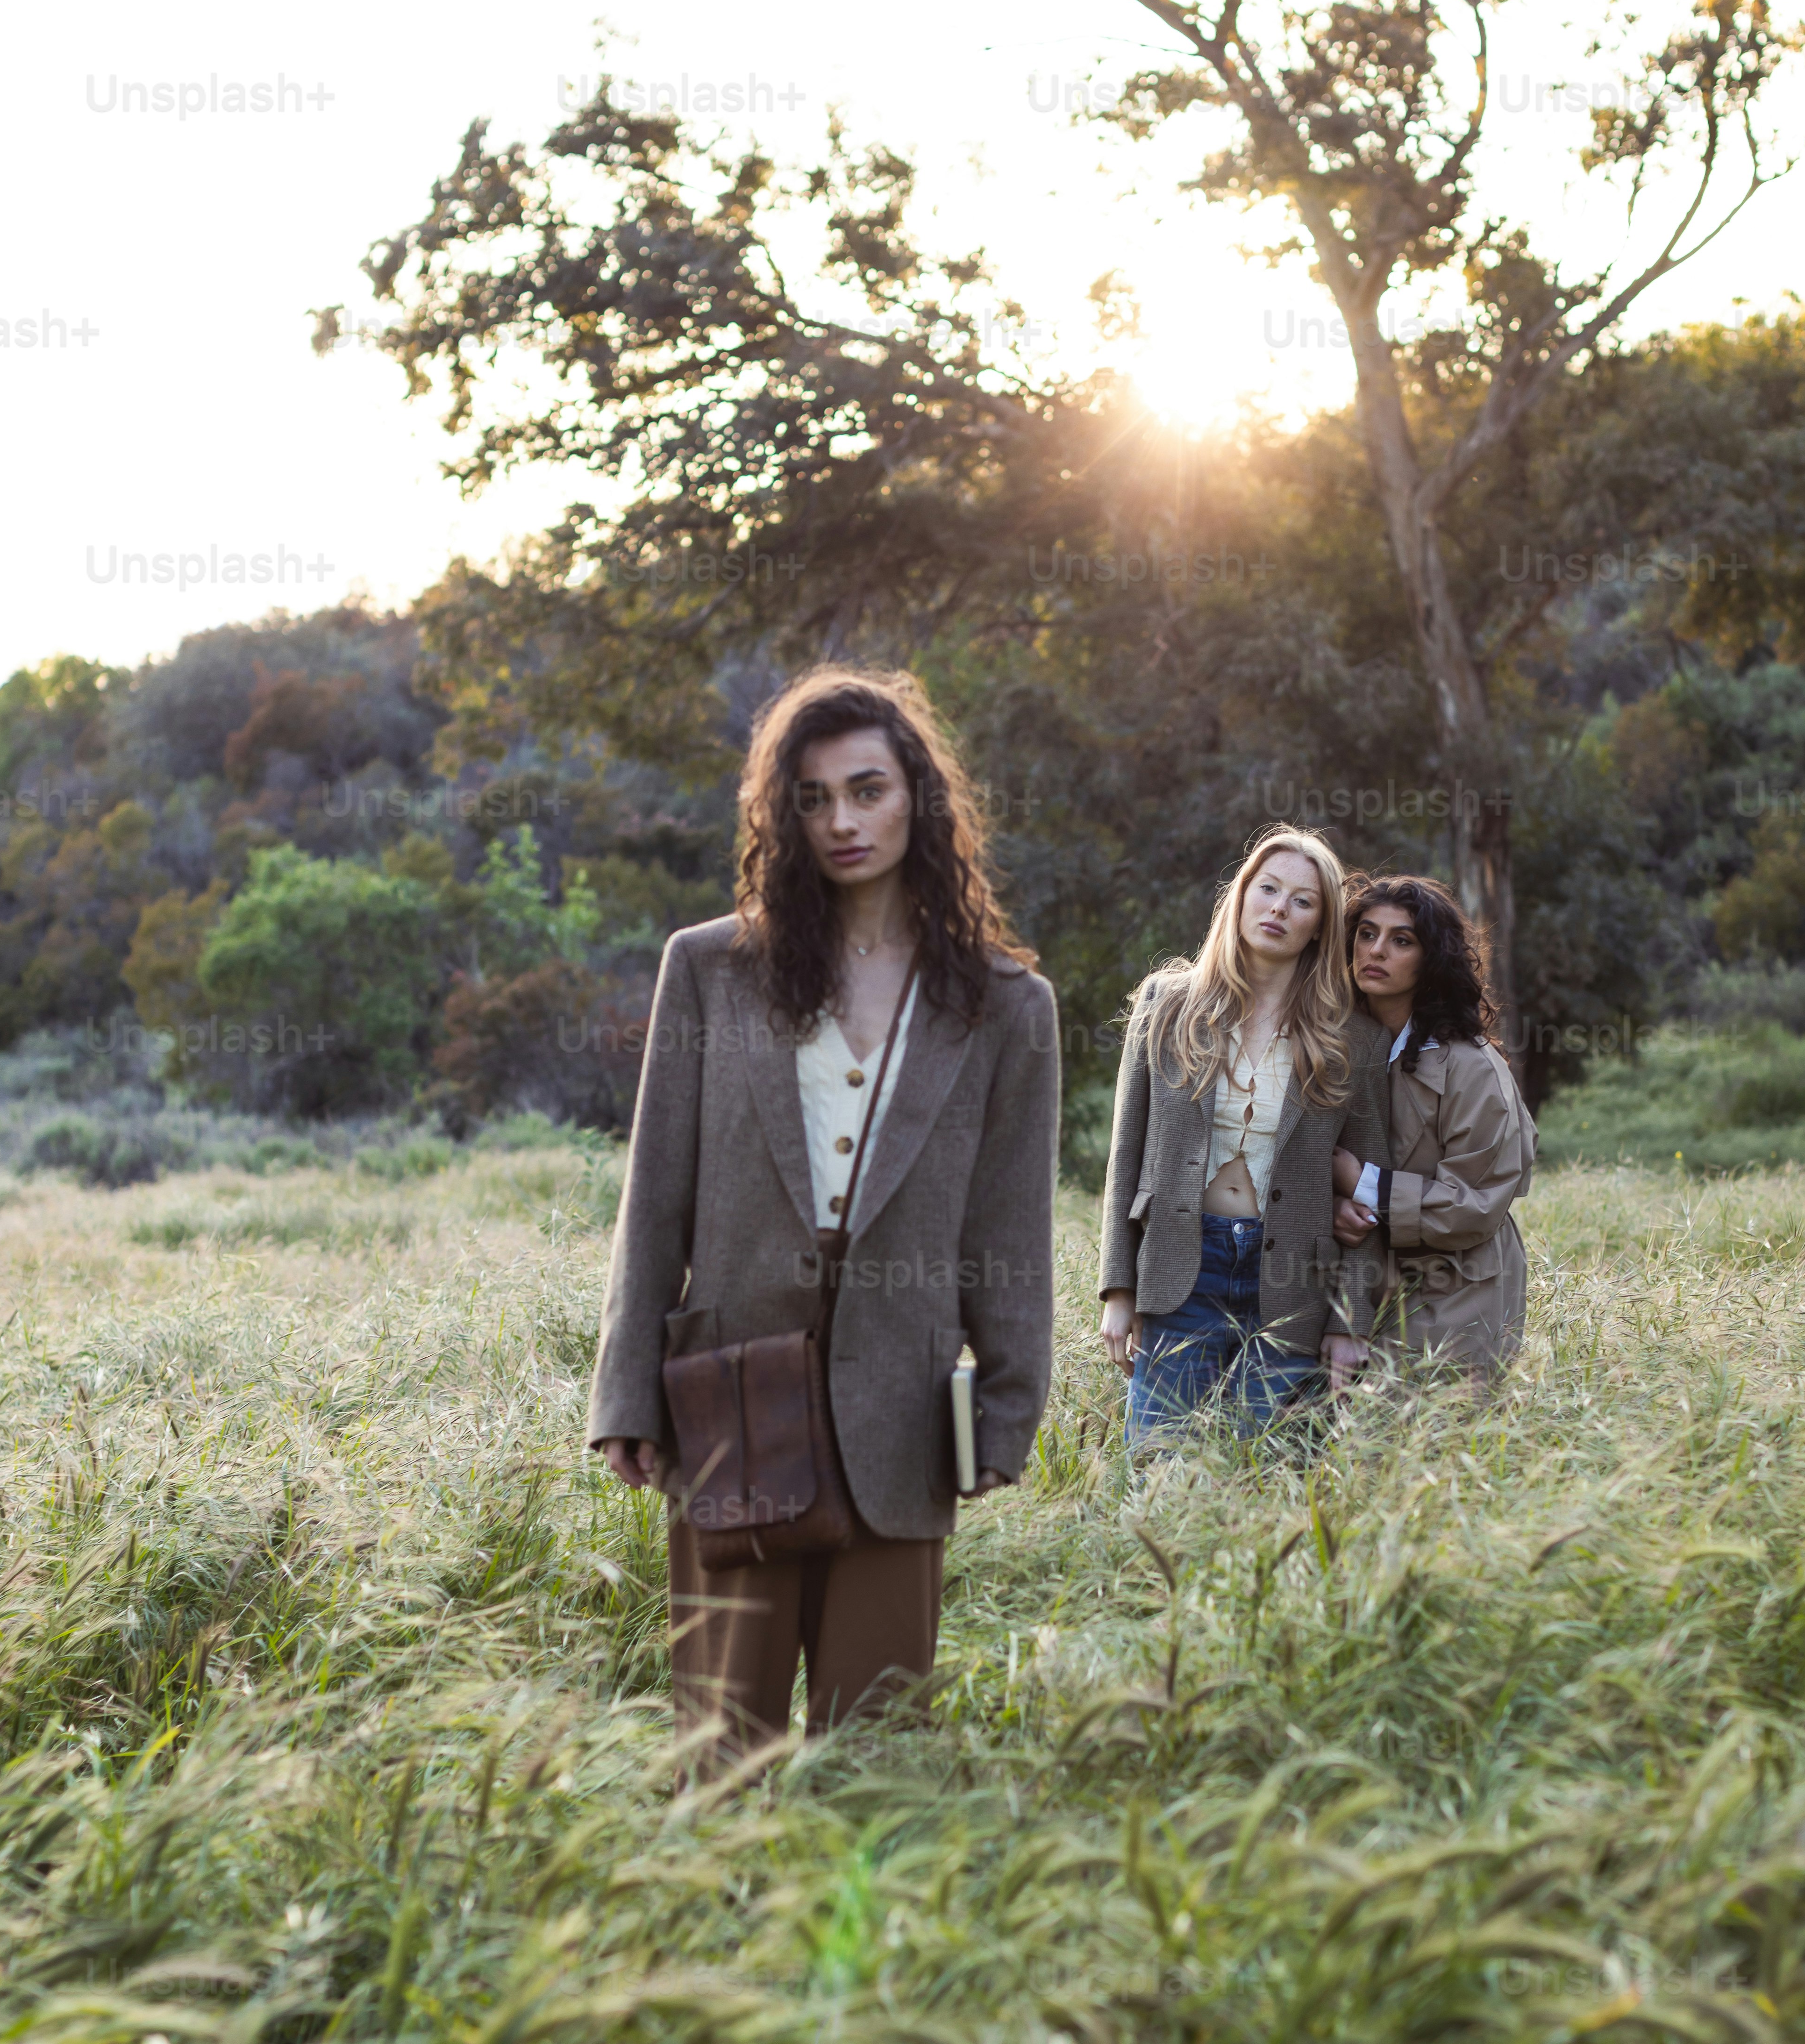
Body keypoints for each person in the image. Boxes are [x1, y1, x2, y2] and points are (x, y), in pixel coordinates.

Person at [589, 666, 1060, 1742]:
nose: (842, 821)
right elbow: (653, 1196)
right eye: (811, 799)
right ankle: (716, 1915)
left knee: (876, 1748)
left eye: (868, 790)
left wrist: (1006, 1409)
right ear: (780, 815)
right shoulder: (710, 970)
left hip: (902, 1410)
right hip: (733, 1400)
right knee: (722, 1745)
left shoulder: (1005, 1006)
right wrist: (624, 1394)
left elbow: (1009, 1233)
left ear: (918, 800)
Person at [1097, 828, 1391, 1445]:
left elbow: (1370, 1199)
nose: (1280, 909)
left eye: (1303, 901)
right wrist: (1118, 1289)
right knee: (1160, 1478)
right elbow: (1126, 1159)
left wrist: (1350, 1321)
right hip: (1180, 1277)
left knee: (1277, 1487)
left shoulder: (1354, 1041)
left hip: (1294, 1291)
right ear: (1241, 897)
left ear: (1321, 926)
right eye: (1269, 889)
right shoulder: (1165, 1005)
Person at [1329, 874, 1535, 1382]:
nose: (1376, 951)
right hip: (1357, 1289)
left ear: (1432, 958)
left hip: (1461, 1292)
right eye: (1366, 934)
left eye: (1402, 940)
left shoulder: (1473, 1067)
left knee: (1432, 1451)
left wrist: (1363, 1186)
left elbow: (1476, 1204)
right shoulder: (1333, 1049)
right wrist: (1332, 1204)